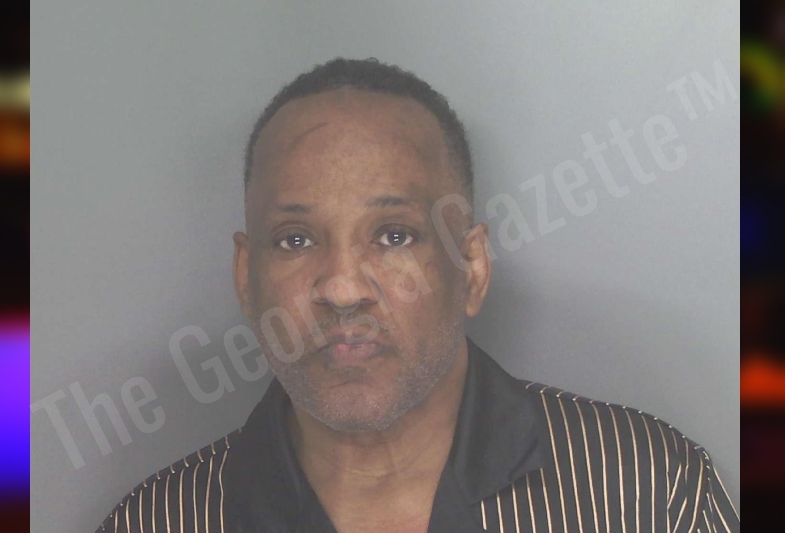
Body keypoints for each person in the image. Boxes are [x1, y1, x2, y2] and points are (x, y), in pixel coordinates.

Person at [96, 58, 739, 533]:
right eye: (296, 240)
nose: (343, 288)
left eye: (394, 235)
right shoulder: (156, 523)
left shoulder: (648, 493)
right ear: (245, 277)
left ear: (472, 267)